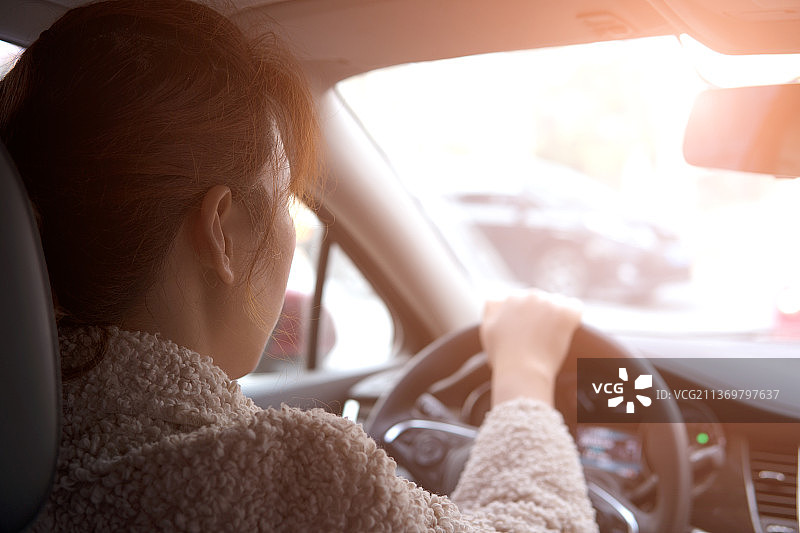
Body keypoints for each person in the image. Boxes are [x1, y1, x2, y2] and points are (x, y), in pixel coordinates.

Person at [0, 0, 598, 530]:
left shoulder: (35, 451)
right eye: (287, 199)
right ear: (222, 232)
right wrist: (524, 375)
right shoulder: (290, 478)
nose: (293, 233)